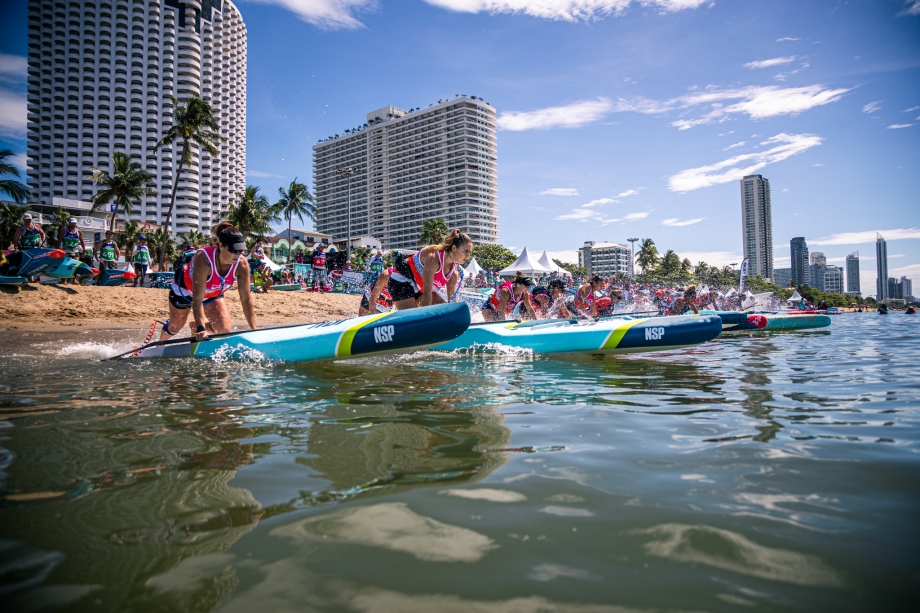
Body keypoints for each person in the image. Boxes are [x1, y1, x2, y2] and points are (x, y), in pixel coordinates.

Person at [160, 226, 256, 341]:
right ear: (221, 246)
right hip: (185, 290)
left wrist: (254, 330)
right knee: (175, 327)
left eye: (241, 251)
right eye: (234, 250)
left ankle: (194, 326)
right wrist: (202, 329)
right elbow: (197, 299)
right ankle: (159, 345)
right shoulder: (204, 260)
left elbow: (246, 299)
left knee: (223, 331)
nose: (238, 254)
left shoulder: (242, 264)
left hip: (212, 293)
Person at [388, 229, 472, 310]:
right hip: (401, 280)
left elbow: (452, 301)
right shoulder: (434, 259)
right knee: (417, 320)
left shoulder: (453, 273)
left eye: (469, 252)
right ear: (454, 248)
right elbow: (427, 294)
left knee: (441, 312)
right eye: (465, 251)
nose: (468, 255)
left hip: (419, 287)